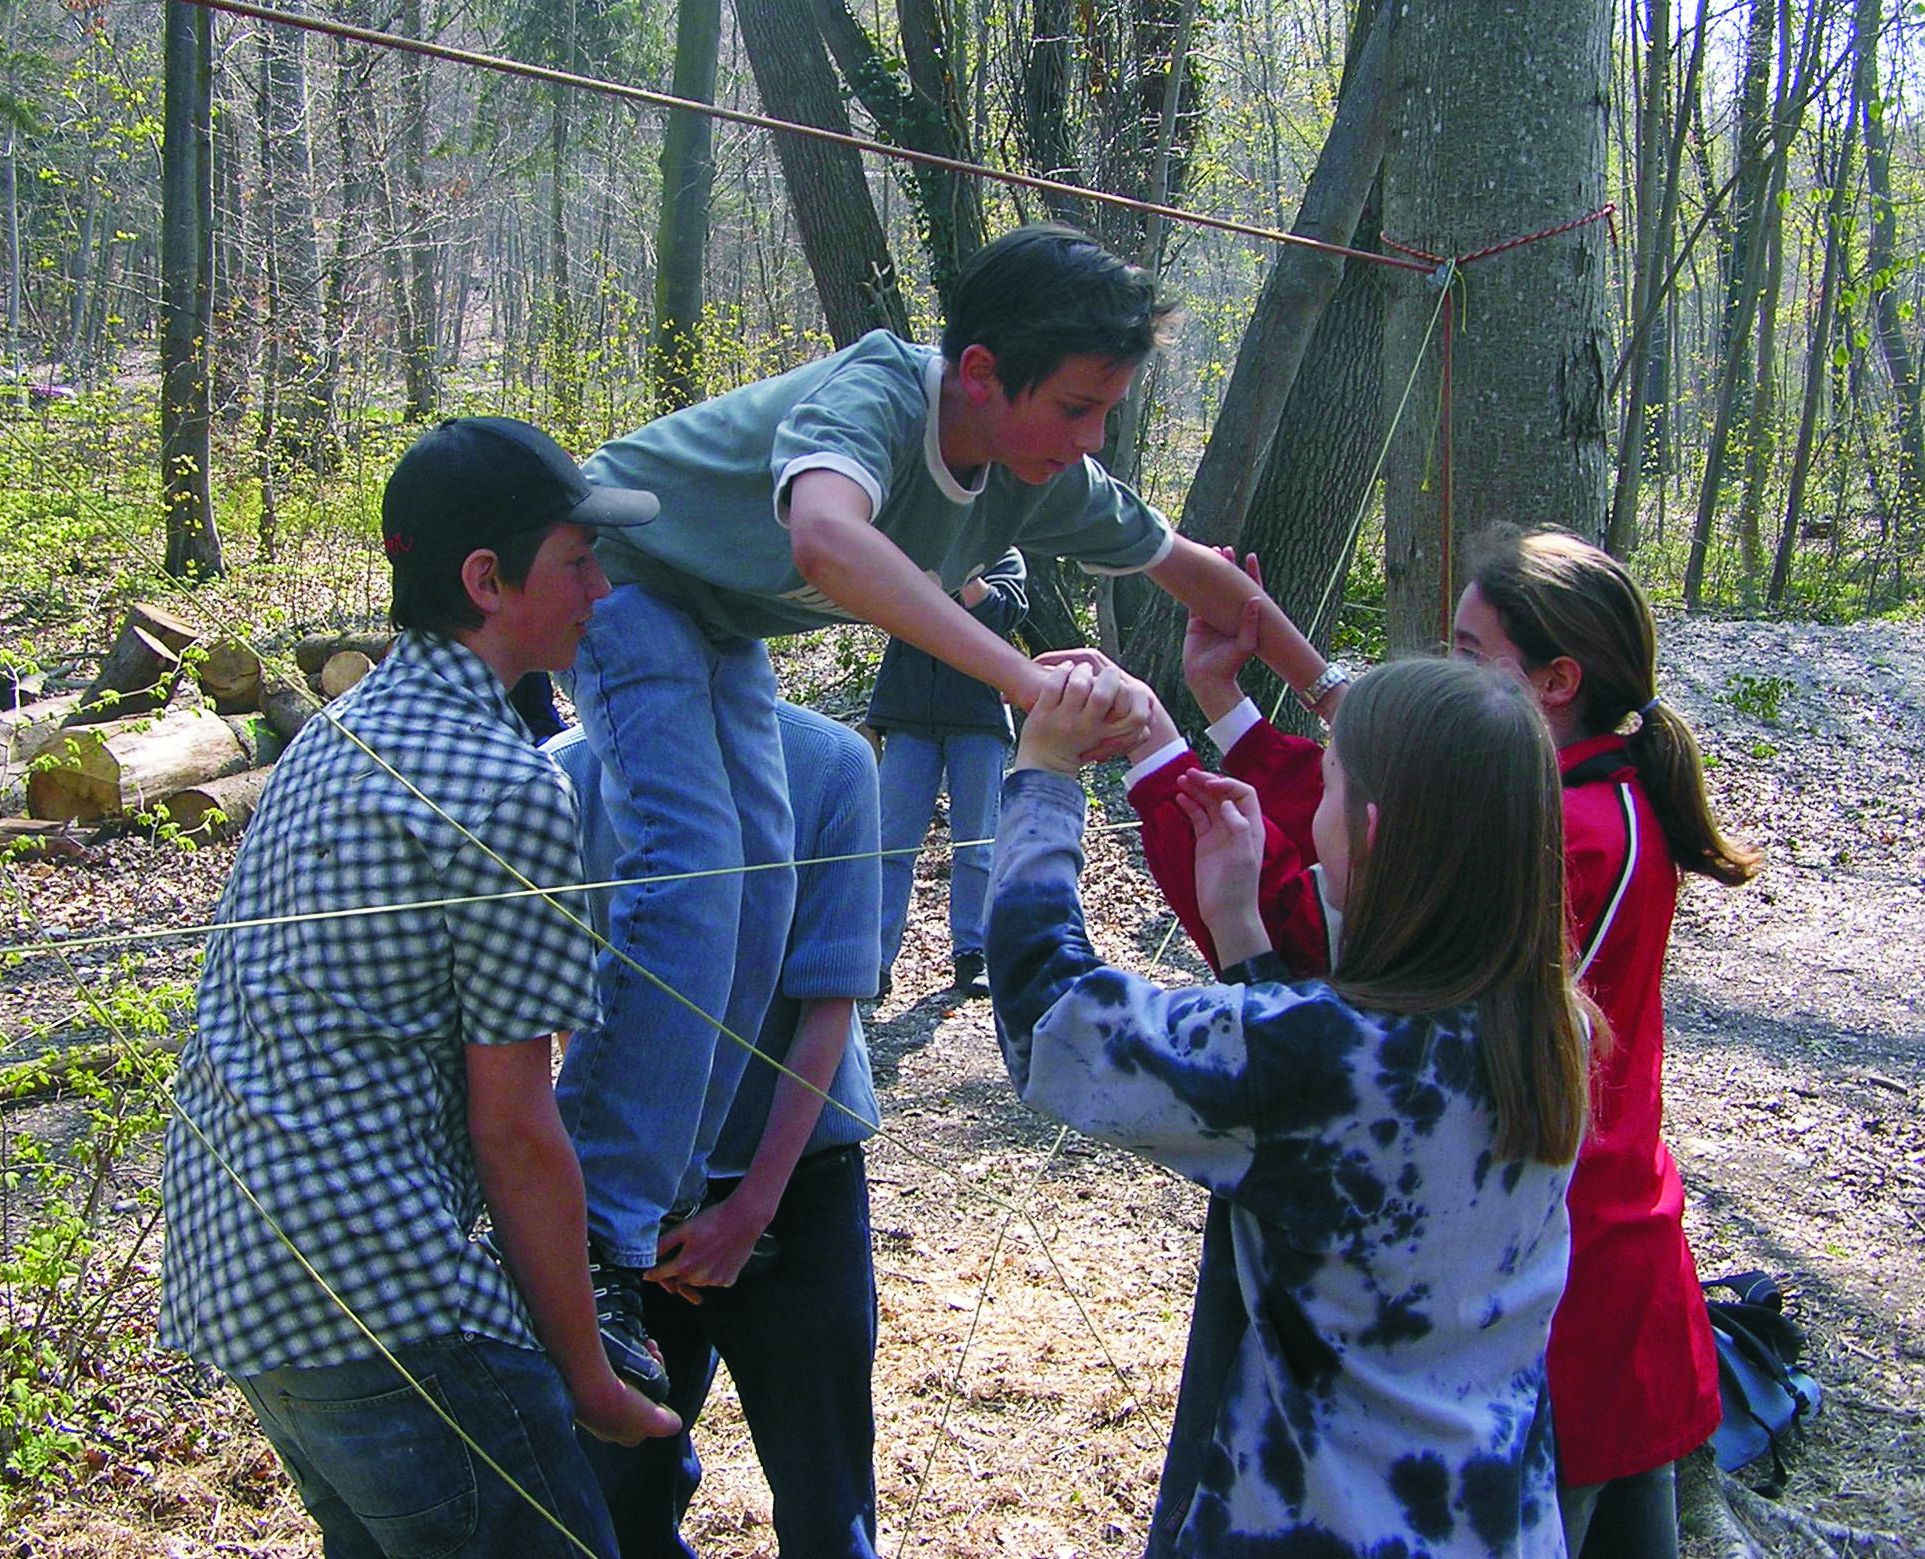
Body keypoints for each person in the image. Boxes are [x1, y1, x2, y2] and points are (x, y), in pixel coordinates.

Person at [557, 222, 1336, 1368]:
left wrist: (1332, 694)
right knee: (694, 873)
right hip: (616, 577)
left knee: (760, 894)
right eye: (1075, 407)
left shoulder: (1036, 474)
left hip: (715, 621)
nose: (1093, 436)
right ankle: (591, 1231)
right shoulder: (879, 393)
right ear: (980, 373)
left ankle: (665, 1191)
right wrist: (1027, 685)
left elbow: (1195, 571)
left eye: (1106, 411)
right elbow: (825, 538)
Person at [1132, 529, 1762, 1557]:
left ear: (1555, 682)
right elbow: (1372, 801)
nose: (1447, 669)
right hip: (1581, 1256)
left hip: (1549, 1284)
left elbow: (1333, 904)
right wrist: (1231, 697)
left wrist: (1161, 763)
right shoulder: (1587, 797)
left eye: (1469, 654)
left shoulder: (1565, 830)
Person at [160, 418, 680, 1559]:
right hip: (381, 1287)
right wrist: (589, 1376)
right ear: (486, 581)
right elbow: (516, 1128)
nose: (601, 589)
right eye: (576, 561)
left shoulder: (336, 732)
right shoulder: (504, 786)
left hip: (240, 1265)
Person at [988, 656, 1589, 1557]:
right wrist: (1242, 932)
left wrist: (1043, 774)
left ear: (1367, 834)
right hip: (1492, 1523)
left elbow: (1048, 1018)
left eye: (1328, 782)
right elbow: (1322, 1150)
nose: (1312, 808)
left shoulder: (1329, 1053)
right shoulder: (1544, 1025)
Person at [547, 705, 883, 1558]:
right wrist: (626, 1202)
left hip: (796, 1189)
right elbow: (571, 1013)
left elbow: (829, 1002)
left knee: (826, 1493)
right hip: (626, 1202)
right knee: (622, 1487)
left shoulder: (831, 763)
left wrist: (749, 1211)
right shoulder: (564, 772)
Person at [869, 546, 1028, 999]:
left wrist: (963, 573)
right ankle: (875, 960)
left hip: (978, 719)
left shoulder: (1003, 555)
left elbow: (1001, 616)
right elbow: (880, 605)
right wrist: (876, 720)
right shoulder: (918, 541)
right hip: (908, 715)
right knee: (890, 845)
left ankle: (972, 954)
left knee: (975, 844)